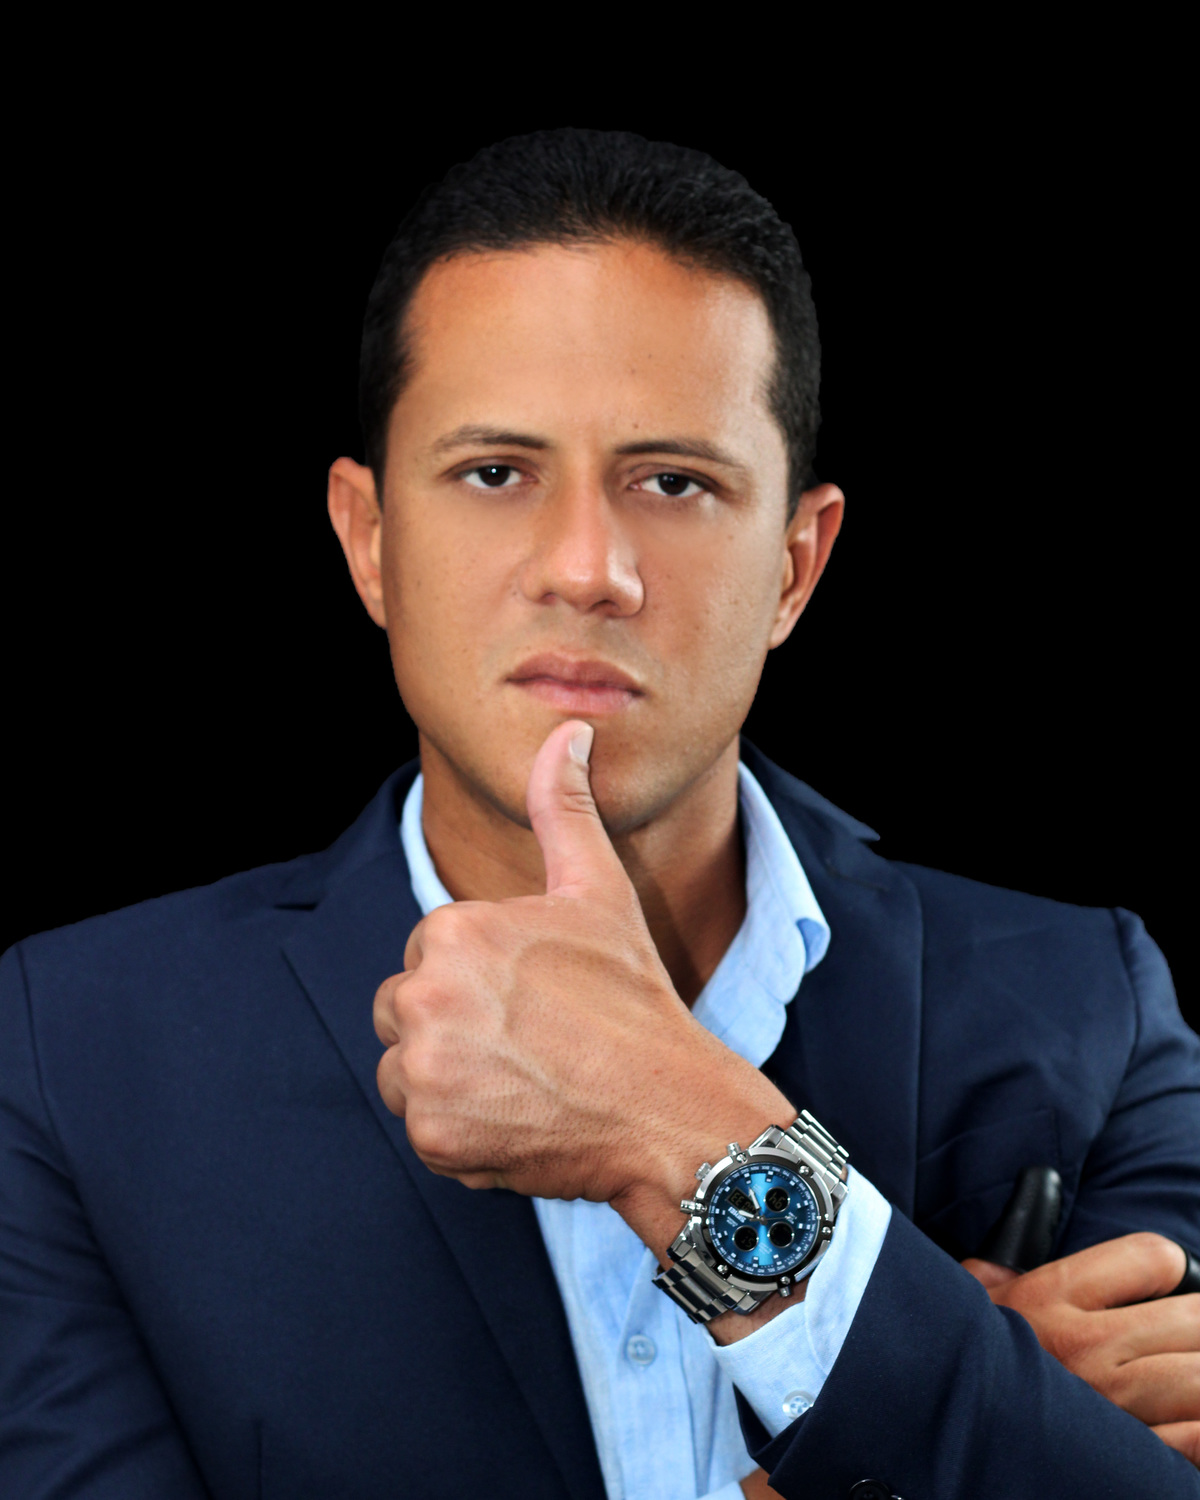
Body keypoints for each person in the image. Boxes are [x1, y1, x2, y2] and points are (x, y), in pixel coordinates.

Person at [1, 128, 1197, 1500]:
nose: (587, 569)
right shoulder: (68, 1051)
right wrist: (966, 1398)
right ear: (369, 539)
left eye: (675, 481)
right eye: (496, 472)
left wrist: (671, 1118)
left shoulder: (1090, 1008)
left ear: (797, 567)